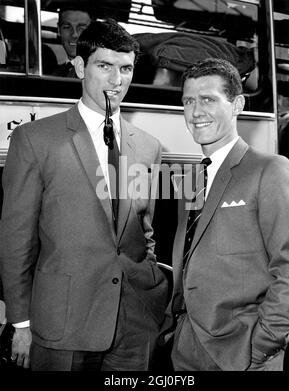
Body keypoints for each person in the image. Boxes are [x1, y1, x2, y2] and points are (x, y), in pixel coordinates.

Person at [0, 19, 168, 371]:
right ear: (80, 67)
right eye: (104, 66)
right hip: (62, 323)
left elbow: (143, 231)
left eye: (125, 68)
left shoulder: (149, 147)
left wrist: (151, 302)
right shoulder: (35, 139)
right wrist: (21, 322)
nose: (116, 80)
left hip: (134, 325)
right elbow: (17, 238)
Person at [161, 58, 289, 371]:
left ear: (237, 104)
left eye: (209, 99)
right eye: (188, 101)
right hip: (186, 348)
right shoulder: (194, 179)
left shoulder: (271, 170)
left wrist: (262, 345)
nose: (196, 112)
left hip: (243, 354)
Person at [51, 7, 93, 77]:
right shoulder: (54, 74)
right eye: (67, 27)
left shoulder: (102, 74)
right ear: (59, 30)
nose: (74, 34)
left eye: (82, 28)